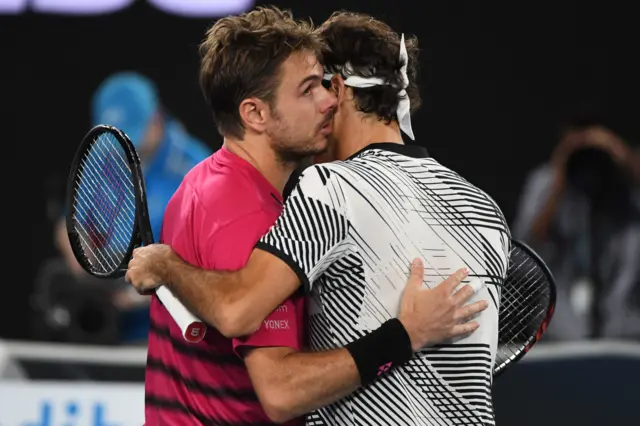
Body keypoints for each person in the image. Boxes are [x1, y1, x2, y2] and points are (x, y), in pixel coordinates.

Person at [127, 10, 508, 425]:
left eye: (323, 86)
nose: (325, 102)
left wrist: (164, 263)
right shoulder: (485, 208)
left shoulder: (323, 190)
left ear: (343, 89)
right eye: (309, 90)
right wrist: (404, 336)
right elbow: (275, 380)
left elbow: (242, 321)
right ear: (255, 114)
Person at [52, 71, 211, 343]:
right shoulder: (104, 155)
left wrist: (157, 290)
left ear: (157, 118)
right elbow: (70, 223)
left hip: (175, 333)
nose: (126, 146)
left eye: (134, 134)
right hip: (109, 325)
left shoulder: (198, 168)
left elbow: (212, 263)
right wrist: (81, 258)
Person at [513, 114, 640, 340]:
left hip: (624, 331)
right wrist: (562, 174)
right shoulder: (547, 181)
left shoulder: (626, 185)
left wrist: (623, 158)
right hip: (560, 327)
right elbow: (524, 253)